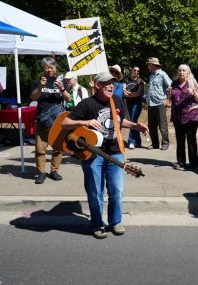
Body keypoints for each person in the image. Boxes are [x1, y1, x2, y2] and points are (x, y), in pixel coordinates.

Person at [61, 71, 149, 239]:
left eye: (112, 83)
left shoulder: (116, 100)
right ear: (97, 86)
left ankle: (115, 222)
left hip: (115, 152)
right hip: (93, 155)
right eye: (107, 83)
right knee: (95, 192)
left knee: (117, 190)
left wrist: (135, 126)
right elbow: (65, 123)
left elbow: (120, 120)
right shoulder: (87, 104)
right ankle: (97, 224)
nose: (111, 85)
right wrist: (85, 122)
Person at [31, 57, 70, 184]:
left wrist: (62, 89)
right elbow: (34, 97)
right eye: (46, 67)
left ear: (55, 68)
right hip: (42, 120)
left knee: (58, 147)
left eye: (51, 68)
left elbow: (68, 99)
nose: (48, 70)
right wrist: (41, 87)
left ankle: (54, 171)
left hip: (58, 120)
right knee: (40, 149)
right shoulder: (38, 82)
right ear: (43, 69)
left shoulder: (61, 81)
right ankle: (41, 173)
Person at [170, 64, 198, 170]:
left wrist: (193, 93)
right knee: (180, 140)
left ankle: (194, 163)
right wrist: (168, 94)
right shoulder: (174, 83)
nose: (181, 72)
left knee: (191, 140)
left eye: (184, 70)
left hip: (191, 117)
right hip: (177, 117)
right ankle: (181, 163)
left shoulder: (192, 83)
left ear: (188, 72)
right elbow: (170, 99)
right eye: (179, 70)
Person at [146, 57, 172, 150]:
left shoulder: (162, 74)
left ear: (153, 65)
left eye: (149, 64)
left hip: (160, 103)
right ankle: (155, 144)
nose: (148, 66)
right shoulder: (152, 75)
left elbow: (171, 86)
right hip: (151, 103)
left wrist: (168, 99)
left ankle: (165, 143)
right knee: (151, 125)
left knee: (162, 125)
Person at [123, 65, 145, 149]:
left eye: (138, 71)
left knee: (132, 120)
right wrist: (131, 94)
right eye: (134, 70)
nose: (136, 72)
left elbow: (138, 93)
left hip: (137, 104)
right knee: (134, 121)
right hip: (128, 104)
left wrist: (128, 93)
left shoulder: (140, 81)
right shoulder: (126, 79)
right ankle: (138, 141)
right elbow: (123, 92)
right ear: (131, 71)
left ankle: (131, 141)